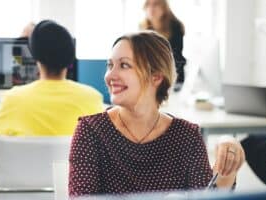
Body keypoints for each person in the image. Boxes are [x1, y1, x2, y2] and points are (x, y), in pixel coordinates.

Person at [68, 31, 245, 197]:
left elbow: (206, 196)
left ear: (156, 77)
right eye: (110, 65)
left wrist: (227, 170)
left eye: (124, 65)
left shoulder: (187, 136)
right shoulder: (91, 131)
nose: (110, 75)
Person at [0, 20, 104, 182]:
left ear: (34, 56)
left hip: (23, 188)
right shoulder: (92, 98)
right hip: (74, 187)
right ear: (70, 57)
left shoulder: (13, 99)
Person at [140, 0, 186, 91]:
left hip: (173, 77)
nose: (151, 8)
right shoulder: (143, 27)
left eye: (156, 4)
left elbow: (176, 57)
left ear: (164, 7)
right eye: (148, 4)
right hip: (151, 78)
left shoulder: (175, 27)